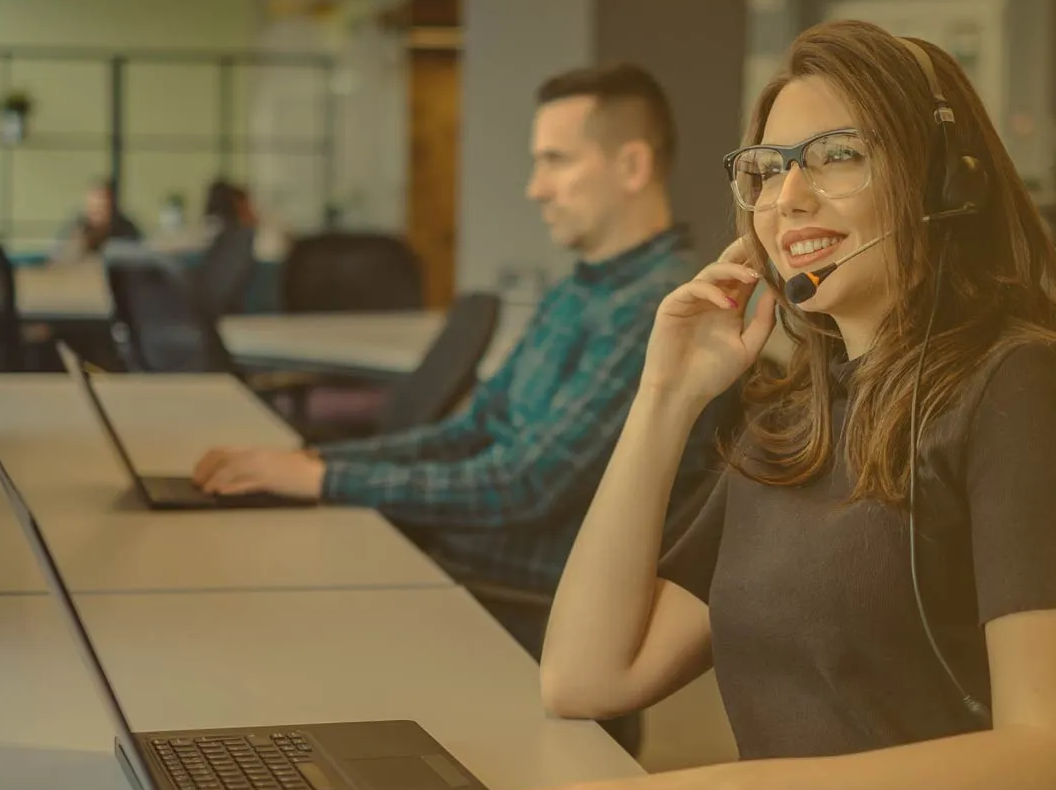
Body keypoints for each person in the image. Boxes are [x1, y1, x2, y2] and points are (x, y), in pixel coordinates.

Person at [446, 20, 1056, 790]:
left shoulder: (1029, 389)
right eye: (768, 170)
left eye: (838, 155)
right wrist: (664, 397)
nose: (790, 198)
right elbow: (585, 675)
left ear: (942, 183)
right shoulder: (799, 414)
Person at [192, 63, 723, 599]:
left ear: (632, 166)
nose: (534, 188)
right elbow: (469, 432)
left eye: (555, 162)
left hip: (510, 597)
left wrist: (320, 480)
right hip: (458, 559)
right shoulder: (581, 290)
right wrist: (314, 463)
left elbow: (524, 487)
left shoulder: (659, 310)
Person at [52, 180, 140, 261]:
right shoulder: (76, 228)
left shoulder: (126, 230)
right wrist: (80, 244)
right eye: (93, 206)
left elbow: (136, 260)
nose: (97, 212)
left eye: (103, 206)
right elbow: (58, 260)